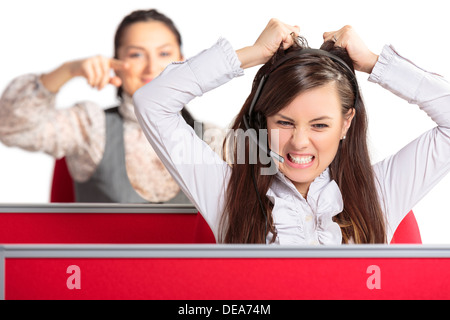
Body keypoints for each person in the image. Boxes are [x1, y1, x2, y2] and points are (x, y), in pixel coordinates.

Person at [133, 19, 450, 244]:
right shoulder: (226, 192)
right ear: (263, 122)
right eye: (284, 122)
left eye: (320, 125)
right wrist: (252, 54)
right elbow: (152, 103)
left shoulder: (381, 190)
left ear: (346, 123)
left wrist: (371, 62)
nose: (299, 142)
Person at [0, 9, 217, 203]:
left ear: (182, 61)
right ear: (116, 64)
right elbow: (11, 128)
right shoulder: (90, 127)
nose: (152, 68)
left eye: (164, 54)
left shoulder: (212, 140)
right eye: (136, 54)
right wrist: (67, 70)